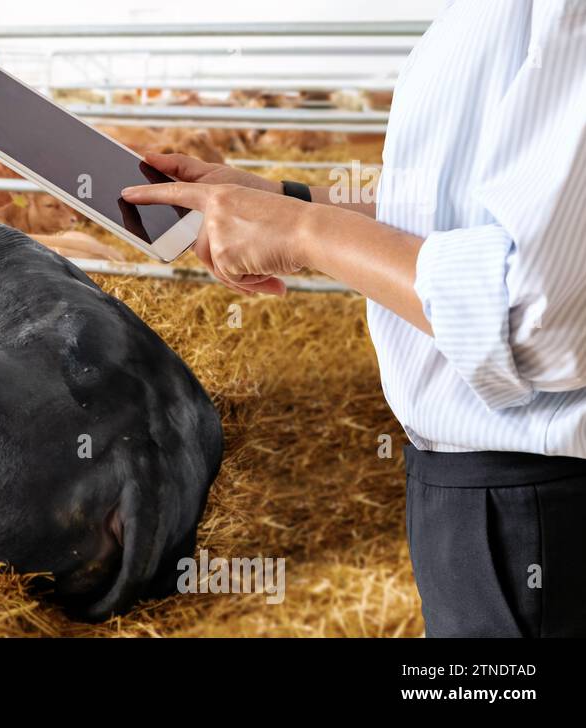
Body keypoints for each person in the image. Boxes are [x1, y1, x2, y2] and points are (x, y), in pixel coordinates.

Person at [120, 1, 586, 638]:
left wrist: (304, 232)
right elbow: (456, 209)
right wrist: (279, 200)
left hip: (535, 507)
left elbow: (529, 317)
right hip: (471, 493)